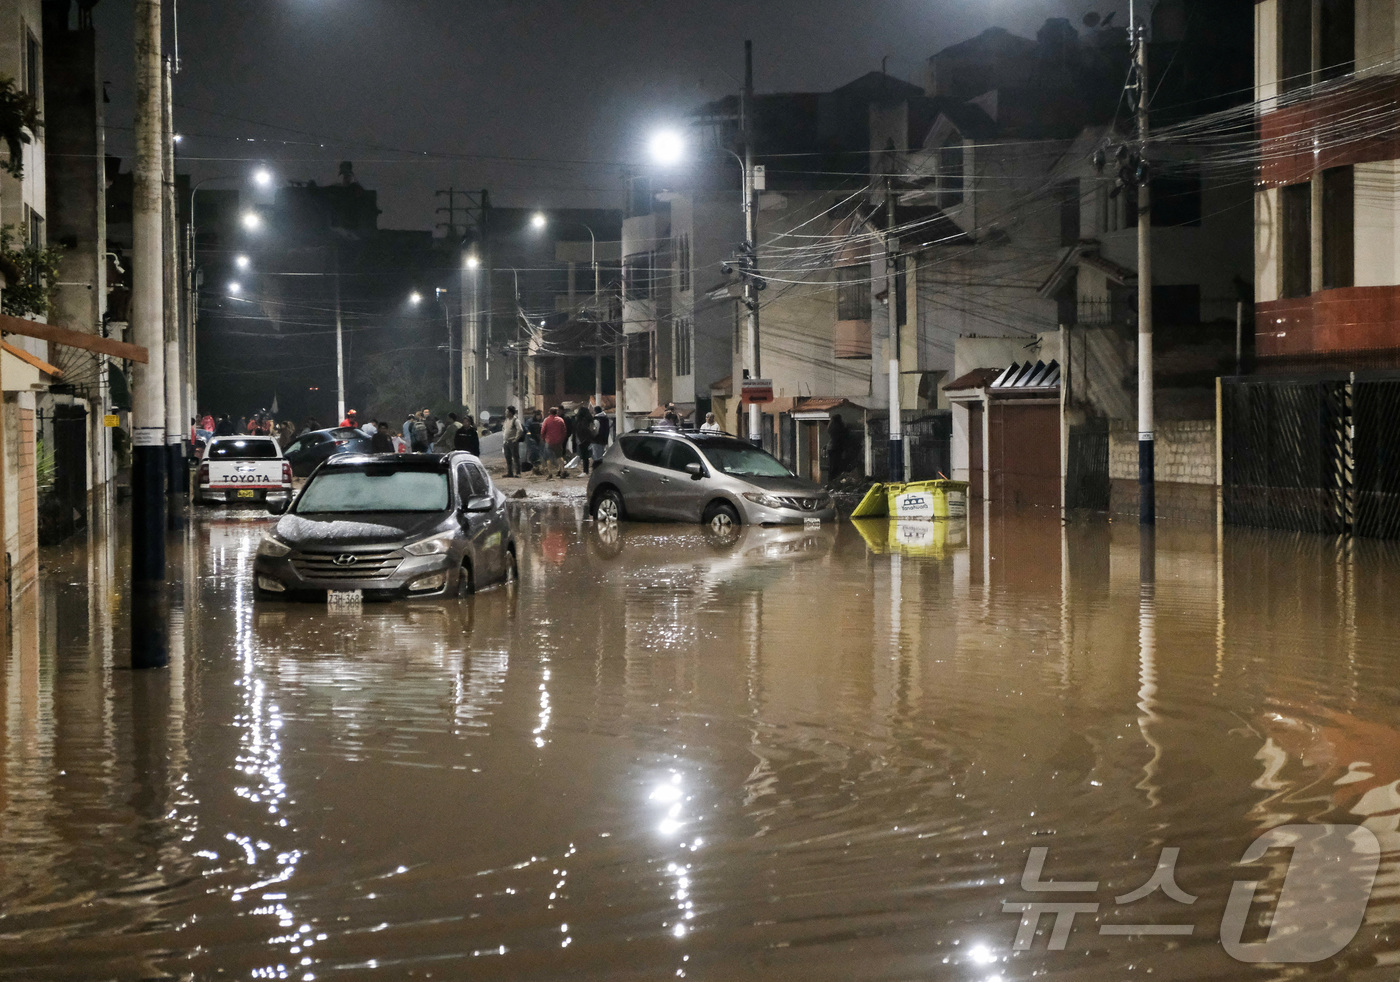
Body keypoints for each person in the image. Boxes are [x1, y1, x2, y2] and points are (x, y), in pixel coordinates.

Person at [541, 406, 568, 479]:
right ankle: (562, 471)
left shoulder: (546, 420)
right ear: (557, 412)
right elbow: (564, 431)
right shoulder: (561, 420)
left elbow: (543, 431)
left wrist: (544, 439)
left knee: (548, 458)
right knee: (559, 457)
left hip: (549, 441)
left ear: (549, 412)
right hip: (558, 442)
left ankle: (550, 473)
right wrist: (561, 440)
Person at [572, 405, 595, 474]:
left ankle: (585, 471)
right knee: (589, 456)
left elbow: (579, 430)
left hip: (582, 440)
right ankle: (590, 470)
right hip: (588, 440)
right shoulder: (589, 420)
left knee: (584, 456)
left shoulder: (581, 421)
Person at [501, 406, 522, 477]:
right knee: (508, 458)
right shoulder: (506, 420)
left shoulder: (515, 420)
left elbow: (520, 430)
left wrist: (516, 439)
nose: (505, 413)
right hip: (506, 442)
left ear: (510, 412)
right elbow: (504, 429)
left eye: (506, 411)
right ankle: (510, 472)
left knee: (516, 457)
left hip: (512, 442)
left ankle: (518, 473)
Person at [827, 414, 849, 481]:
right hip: (836, 448)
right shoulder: (838, 427)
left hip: (831, 447)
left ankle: (830, 480)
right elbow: (843, 435)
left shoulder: (831, 426)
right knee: (836, 465)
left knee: (832, 465)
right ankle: (834, 480)